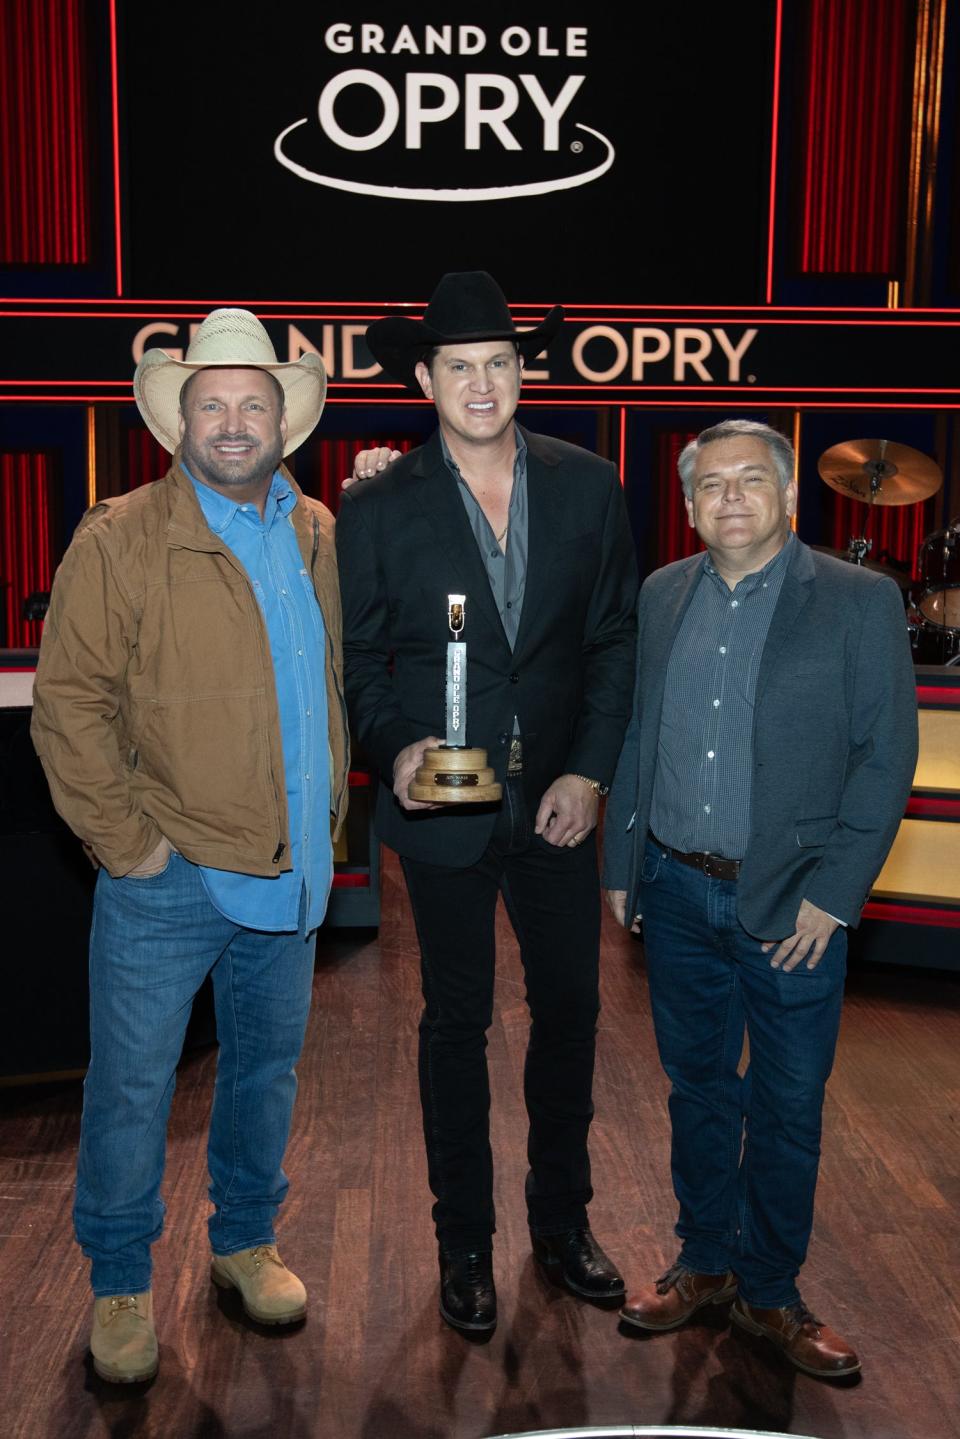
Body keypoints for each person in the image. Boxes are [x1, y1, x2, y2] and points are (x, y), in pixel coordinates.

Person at [31, 309, 349, 1383]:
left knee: (265, 1072)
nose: (231, 420)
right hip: (168, 878)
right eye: (210, 401)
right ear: (178, 417)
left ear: (281, 420)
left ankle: (245, 1242)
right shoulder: (117, 536)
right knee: (131, 1087)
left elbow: (328, 688)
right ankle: (120, 1283)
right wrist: (133, 847)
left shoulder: (315, 532)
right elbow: (68, 706)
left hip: (292, 869)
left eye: (251, 401)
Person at [336, 271, 638, 1333]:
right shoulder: (374, 503)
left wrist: (588, 771)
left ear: (523, 371)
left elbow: (611, 644)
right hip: (443, 819)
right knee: (453, 1025)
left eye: (499, 362)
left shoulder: (591, 486)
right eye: (459, 365)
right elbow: (360, 660)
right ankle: (463, 1242)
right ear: (424, 377)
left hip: (556, 812)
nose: (481, 381)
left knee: (571, 1018)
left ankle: (563, 1226)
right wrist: (394, 744)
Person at [603, 418, 918, 1379]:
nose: (729, 496)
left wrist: (837, 892)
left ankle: (772, 1290)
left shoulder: (860, 599)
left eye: (750, 480)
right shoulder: (662, 595)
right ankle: (704, 1263)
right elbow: (638, 730)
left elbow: (886, 756)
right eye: (710, 485)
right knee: (697, 1088)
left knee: (785, 1104)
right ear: (691, 504)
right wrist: (621, 864)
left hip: (794, 912)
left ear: (788, 496)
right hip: (676, 887)